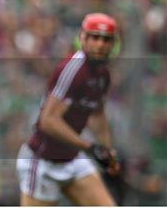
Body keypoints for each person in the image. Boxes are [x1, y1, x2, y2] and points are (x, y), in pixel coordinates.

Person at [16, 13, 121, 206]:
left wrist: (107, 151)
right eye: (94, 37)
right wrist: (90, 147)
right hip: (42, 162)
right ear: (82, 38)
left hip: (72, 159)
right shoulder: (74, 69)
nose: (100, 44)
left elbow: (97, 114)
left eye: (106, 39)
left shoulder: (103, 75)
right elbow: (48, 121)